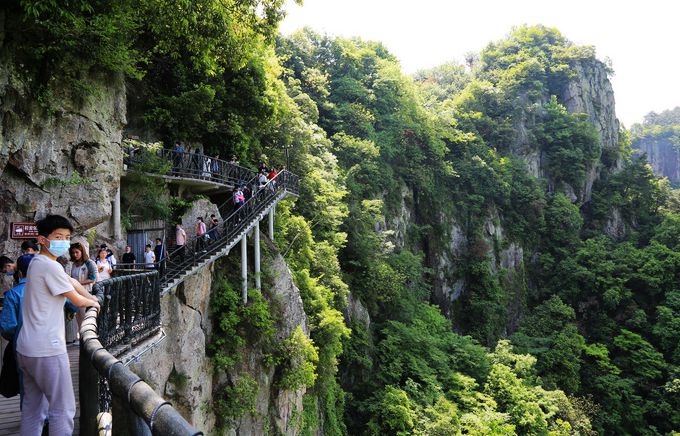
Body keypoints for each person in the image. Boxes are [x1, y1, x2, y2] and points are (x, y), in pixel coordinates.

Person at [16, 214, 99, 435]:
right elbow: (76, 299)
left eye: (67, 237)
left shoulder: (37, 263)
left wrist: (92, 297)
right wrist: (94, 303)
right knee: (63, 409)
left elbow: (72, 282)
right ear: (42, 240)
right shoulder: (50, 267)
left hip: (26, 349)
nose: (64, 241)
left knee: (33, 410)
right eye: (58, 236)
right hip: (48, 350)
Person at [0, 254, 35, 409]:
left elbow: (7, 328)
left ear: (19, 273)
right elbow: (71, 303)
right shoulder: (51, 290)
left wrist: (13, 337)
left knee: (27, 387)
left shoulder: (14, 294)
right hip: (52, 347)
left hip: (23, 347)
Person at [69, 243, 97, 327]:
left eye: (77, 252)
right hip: (76, 294)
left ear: (82, 252)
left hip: (87, 293)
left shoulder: (88, 263)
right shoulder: (74, 264)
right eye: (73, 253)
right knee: (79, 320)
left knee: (86, 319)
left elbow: (92, 278)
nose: (75, 255)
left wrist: (77, 284)